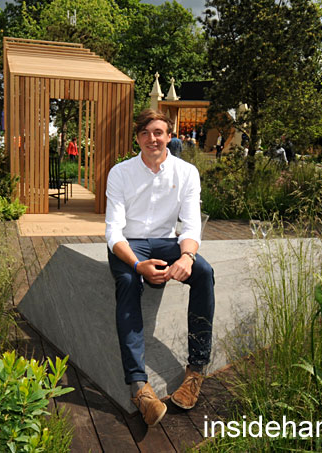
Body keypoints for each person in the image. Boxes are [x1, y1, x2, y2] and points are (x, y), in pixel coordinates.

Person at [105, 109, 215, 427]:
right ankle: (139, 387)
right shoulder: (120, 173)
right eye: (145, 132)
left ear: (169, 136)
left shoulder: (187, 173)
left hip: (167, 242)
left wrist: (187, 257)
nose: (152, 138)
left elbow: (191, 226)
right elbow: (113, 232)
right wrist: (138, 265)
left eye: (158, 132)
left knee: (204, 273)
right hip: (130, 244)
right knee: (128, 281)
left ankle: (196, 370)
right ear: (137, 138)